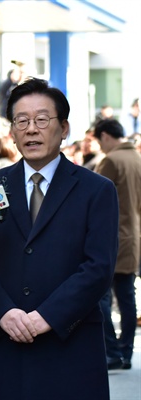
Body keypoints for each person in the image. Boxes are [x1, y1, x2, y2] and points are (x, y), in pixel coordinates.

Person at [0, 77, 119, 400]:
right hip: (3, 342)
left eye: (42, 120)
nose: (32, 129)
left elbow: (98, 267)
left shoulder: (97, 190)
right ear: (13, 132)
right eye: (22, 121)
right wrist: (4, 311)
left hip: (69, 344)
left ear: (64, 128)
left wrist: (47, 316)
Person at [93, 118, 141, 370]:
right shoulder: (136, 157)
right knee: (127, 298)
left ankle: (112, 351)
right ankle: (125, 352)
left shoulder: (111, 161)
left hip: (113, 237)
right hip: (133, 236)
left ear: (105, 136)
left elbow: (94, 200)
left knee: (101, 297)